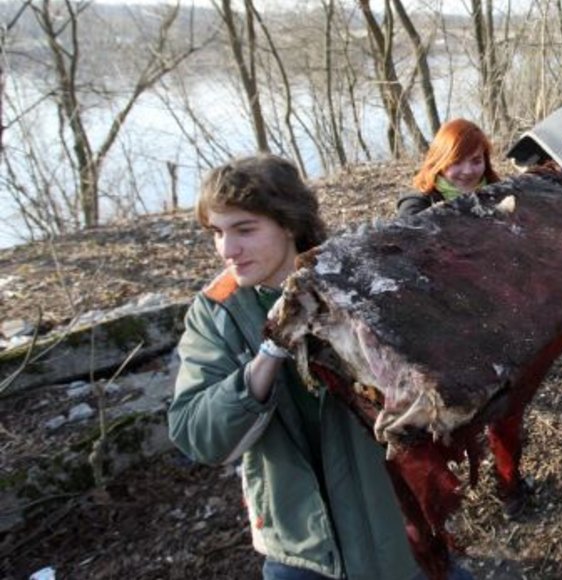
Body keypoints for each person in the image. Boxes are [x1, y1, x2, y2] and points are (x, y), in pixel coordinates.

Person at [167, 154, 421, 580]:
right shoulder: (217, 311)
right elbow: (198, 435)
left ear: (288, 224)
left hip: (393, 527)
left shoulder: (356, 278)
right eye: (217, 232)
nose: (227, 250)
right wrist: (269, 354)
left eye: (245, 230)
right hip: (298, 544)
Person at [397, 118, 501, 216]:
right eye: (456, 162)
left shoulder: (502, 195)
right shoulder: (416, 207)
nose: (468, 171)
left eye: (476, 161)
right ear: (439, 162)